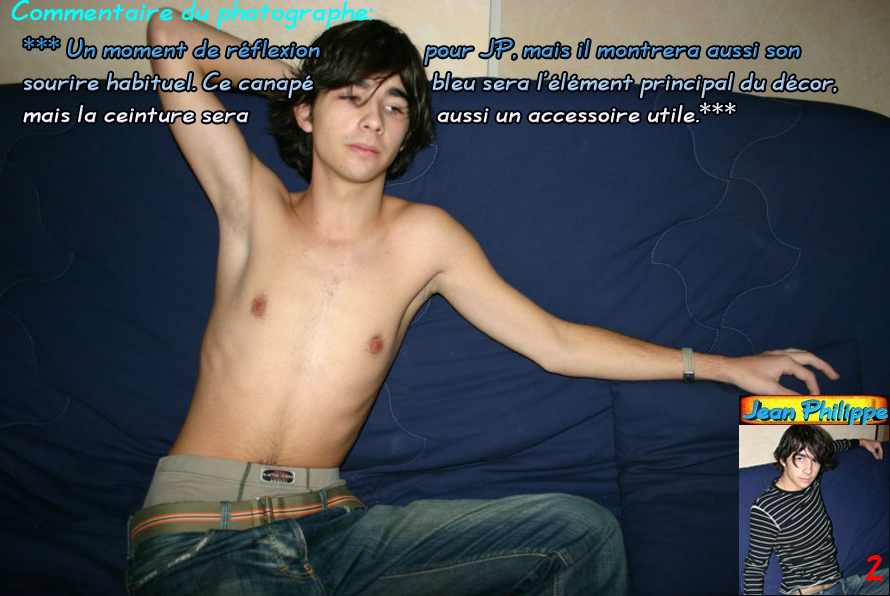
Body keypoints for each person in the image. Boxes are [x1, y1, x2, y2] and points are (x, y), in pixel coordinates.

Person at [129, 11, 840, 595]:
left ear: (407, 133)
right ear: (306, 114)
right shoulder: (252, 206)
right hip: (205, 528)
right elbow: (169, 36)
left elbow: (554, 342)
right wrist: (311, 79)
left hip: (336, 530)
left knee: (579, 534)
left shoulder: (425, 240)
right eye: (354, 98)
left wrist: (723, 366)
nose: (373, 120)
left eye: (393, 105)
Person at [743, 426, 886, 595]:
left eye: (815, 460)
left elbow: (830, 447)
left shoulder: (812, 481)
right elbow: (754, 568)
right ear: (783, 459)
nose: (808, 470)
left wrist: (861, 442)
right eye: (800, 459)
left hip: (845, 585)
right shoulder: (766, 507)